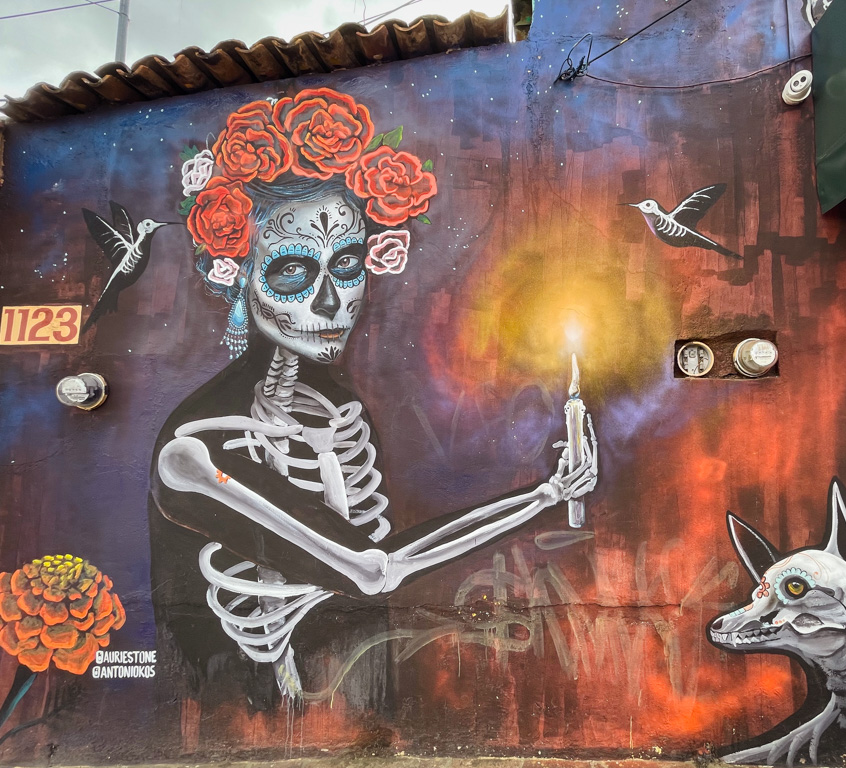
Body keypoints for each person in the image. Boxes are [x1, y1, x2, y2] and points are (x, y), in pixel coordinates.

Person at [147, 88, 597, 703]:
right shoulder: (194, 450)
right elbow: (373, 569)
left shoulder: (330, 409)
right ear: (237, 273)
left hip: (365, 693)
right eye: (293, 271)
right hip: (245, 708)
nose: (333, 304)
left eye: (349, 263)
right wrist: (542, 496)